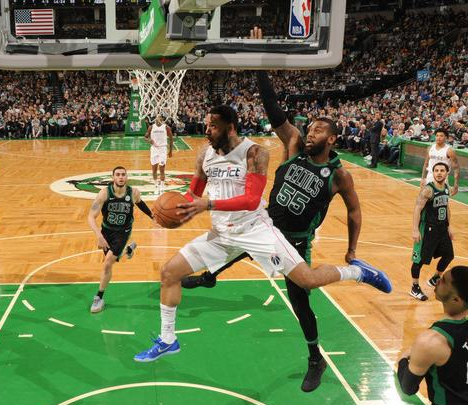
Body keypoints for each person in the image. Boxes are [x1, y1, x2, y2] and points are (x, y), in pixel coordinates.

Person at [133, 104, 392, 364]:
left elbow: (251, 200)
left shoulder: (255, 153)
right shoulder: (205, 155)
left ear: (230, 128)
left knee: (308, 280)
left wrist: (208, 204)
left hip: (256, 230)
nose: (206, 130)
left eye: (213, 126)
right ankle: (168, 340)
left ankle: (358, 272)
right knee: (169, 273)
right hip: (221, 235)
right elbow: (193, 195)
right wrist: (174, 211)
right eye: (207, 125)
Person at [181, 70, 362, 392]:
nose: (310, 132)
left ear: (333, 139)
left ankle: (316, 359)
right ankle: (209, 276)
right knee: (236, 244)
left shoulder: (339, 175)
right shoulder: (293, 145)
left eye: (318, 130)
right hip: (264, 226)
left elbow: (354, 211)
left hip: (296, 241)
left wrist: (351, 249)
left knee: (300, 302)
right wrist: (260, 68)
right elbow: (274, 110)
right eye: (310, 128)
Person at [397, 266, 468, 405]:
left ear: (456, 299)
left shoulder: (432, 341)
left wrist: (402, 359)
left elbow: (408, 388)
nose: (437, 280)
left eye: (443, 281)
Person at [87, 166, 154, 313]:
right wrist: (99, 236)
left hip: (123, 232)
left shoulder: (133, 192)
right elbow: (91, 217)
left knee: (107, 263)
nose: (121, 177)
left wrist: (152, 216)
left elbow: (140, 203)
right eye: (117, 174)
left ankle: (99, 297)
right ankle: (128, 249)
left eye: (123, 174)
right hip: (106, 231)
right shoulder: (104, 193)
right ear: (113, 177)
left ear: (127, 177)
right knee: (110, 262)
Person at [410, 162, 455, 301]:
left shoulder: (446, 188)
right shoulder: (428, 190)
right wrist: (415, 229)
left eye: (442, 170)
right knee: (420, 260)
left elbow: (446, 207)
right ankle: (414, 287)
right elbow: (417, 208)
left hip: (442, 229)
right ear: (433, 173)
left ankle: (435, 278)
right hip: (427, 229)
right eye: (436, 170)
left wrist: (449, 226)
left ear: (447, 172)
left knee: (449, 255)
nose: (439, 173)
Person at [420, 129, 460, 196]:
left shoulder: (449, 151)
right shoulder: (430, 148)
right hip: (430, 176)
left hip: (442, 178)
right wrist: (422, 178)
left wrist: (456, 185)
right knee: (426, 198)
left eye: (441, 136)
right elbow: (426, 164)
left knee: (440, 199)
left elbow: (456, 168)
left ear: (446, 138)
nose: (438, 138)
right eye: (437, 135)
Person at [144, 115, 174, 195]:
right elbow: (145, 137)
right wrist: (149, 140)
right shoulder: (151, 127)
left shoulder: (166, 127)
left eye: (160, 117)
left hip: (162, 149)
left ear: (162, 119)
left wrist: (170, 151)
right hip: (154, 149)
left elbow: (171, 139)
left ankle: (162, 187)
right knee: (154, 169)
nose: (158, 118)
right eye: (157, 117)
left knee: (162, 169)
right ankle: (156, 186)